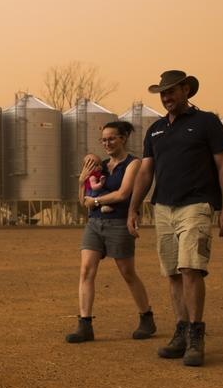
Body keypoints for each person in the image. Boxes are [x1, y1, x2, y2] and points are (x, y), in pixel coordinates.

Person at [127, 70, 223, 367]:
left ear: (186, 90)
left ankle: (196, 336)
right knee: (173, 273)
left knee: (191, 268)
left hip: (196, 205)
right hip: (163, 208)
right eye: (162, 93)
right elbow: (146, 172)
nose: (166, 97)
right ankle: (181, 331)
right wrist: (133, 208)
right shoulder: (156, 130)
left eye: (171, 91)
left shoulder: (207, 123)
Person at [66, 121, 156, 343]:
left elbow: (123, 194)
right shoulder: (101, 166)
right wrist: (80, 181)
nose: (107, 143)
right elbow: (82, 201)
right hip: (95, 224)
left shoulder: (133, 163)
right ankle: (85, 324)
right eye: (103, 140)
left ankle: (147, 318)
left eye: (112, 138)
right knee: (86, 270)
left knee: (127, 273)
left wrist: (95, 200)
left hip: (118, 223)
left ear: (123, 138)